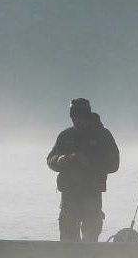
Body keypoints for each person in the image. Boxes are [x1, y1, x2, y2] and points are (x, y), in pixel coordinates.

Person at [46, 98, 120, 242]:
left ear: (87, 116)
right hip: (69, 196)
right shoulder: (65, 136)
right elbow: (50, 159)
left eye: (79, 117)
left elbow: (114, 164)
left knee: (90, 238)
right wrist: (60, 160)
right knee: (68, 240)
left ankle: (88, 257)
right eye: (73, 117)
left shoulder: (103, 135)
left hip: (92, 195)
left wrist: (89, 162)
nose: (76, 121)